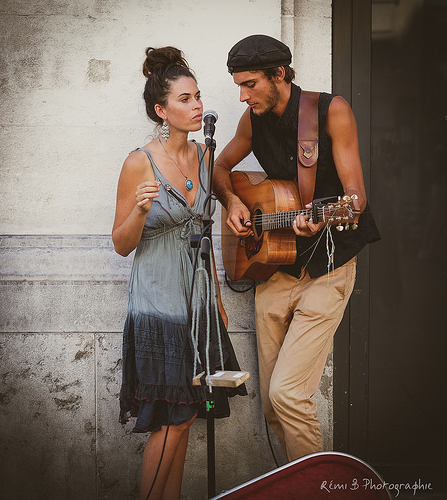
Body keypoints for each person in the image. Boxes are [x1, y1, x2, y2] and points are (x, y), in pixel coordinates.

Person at [213, 35, 380, 462]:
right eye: (238, 84)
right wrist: (233, 201)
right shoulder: (253, 120)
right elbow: (219, 167)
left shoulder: (330, 111)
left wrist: (324, 215)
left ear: (279, 75)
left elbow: (355, 198)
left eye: (250, 84)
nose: (242, 95)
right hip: (273, 267)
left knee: (288, 393)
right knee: (272, 407)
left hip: (327, 267)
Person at [112, 46, 246, 500]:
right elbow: (121, 244)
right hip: (158, 306)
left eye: (198, 97)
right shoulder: (138, 163)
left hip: (199, 304)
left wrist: (219, 303)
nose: (197, 106)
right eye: (185, 99)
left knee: (187, 418)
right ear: (160, 110)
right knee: (173, 418)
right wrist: (140, 208)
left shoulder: (204, 158)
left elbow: (205, 235)